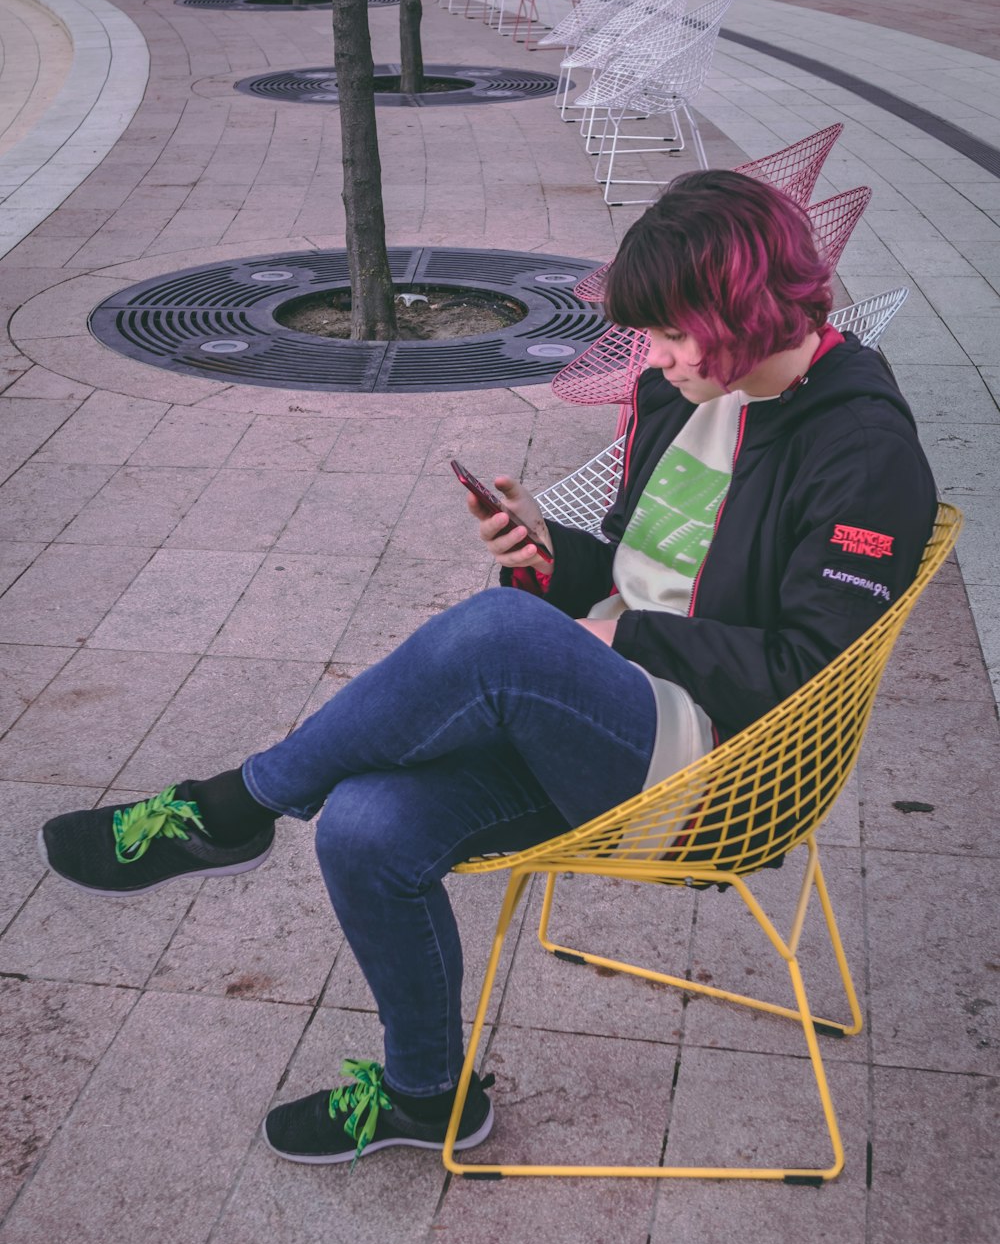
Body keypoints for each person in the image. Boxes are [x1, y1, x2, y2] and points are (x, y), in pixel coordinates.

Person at [39, 171, 936, 1169]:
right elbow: (640, 569)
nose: (657, 356)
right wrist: (548, 560)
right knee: (365, 825)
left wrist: (609, 642)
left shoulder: (862, 448)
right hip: (598, 722)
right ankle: (428, 1096)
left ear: (752, 313)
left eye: (676, 335)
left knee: (498, 637)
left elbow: (808, 668)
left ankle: (233, 807)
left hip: (723, 767)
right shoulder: (678, 393)